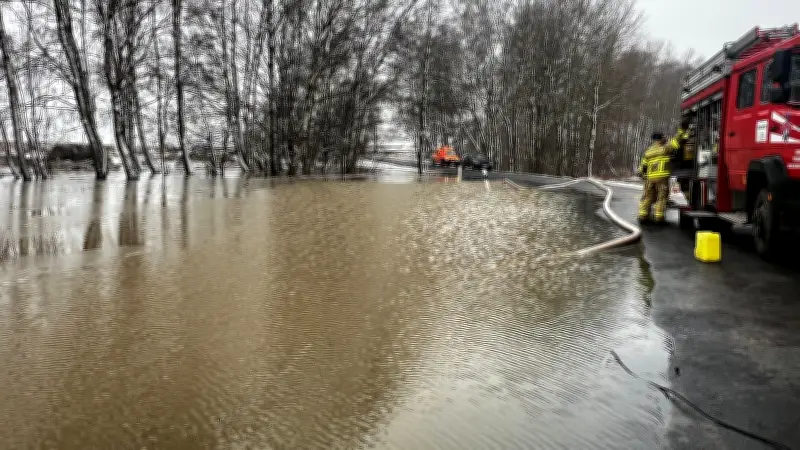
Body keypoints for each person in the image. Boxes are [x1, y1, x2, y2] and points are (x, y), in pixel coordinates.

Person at [637, 133, 672, 224]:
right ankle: (659, 218)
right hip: (662, 178)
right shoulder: (665, 148)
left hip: (650, 178)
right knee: (661, 197)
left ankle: (643, 216)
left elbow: (643, 165)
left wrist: (643, 175)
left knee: (647, 197)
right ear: (662, 138)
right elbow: (676, 143)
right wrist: (682, 131)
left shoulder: (649, 150)